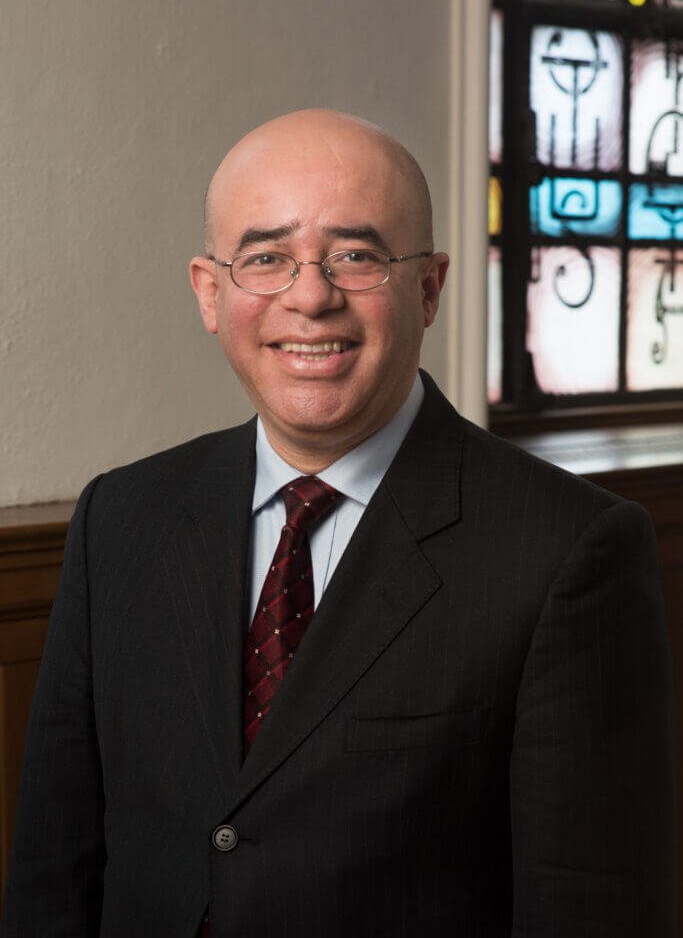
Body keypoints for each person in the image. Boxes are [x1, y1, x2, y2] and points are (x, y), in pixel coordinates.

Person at [1, 109, 675, 937]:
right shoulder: (122, 518)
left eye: (356, 255)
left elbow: (591, 909)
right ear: (211, 294)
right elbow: (53, 870)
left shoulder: (570, 550)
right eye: (266, 258)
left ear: (428, 288)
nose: (311, 296)